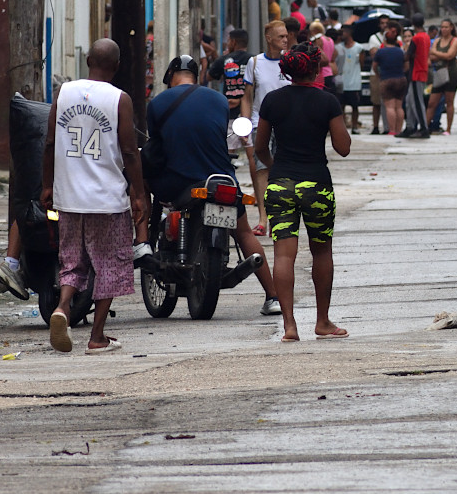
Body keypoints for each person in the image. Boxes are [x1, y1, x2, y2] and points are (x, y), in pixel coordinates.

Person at [148, 55, 280, 316]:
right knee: (244, 233)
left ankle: (143, 241)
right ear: (196, 76)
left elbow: (155, 149)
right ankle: (272, 296)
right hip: (221, 179)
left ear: (171, 76)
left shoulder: (157, 103)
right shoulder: (219, 100)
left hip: (179, 180)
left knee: (146, 179)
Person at [40, 39, 149, 354]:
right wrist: (138, 194)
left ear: (87, 60)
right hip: (107, 200)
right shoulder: (119, 99)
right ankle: (97, 336)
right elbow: (129, 150)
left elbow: (49, 143)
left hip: (69, 197)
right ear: (116, 66)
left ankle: (62, 308)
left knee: (72, 261)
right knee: (110, 266)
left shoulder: (63, 94)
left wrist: (47, 185)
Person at [254, 43, 351, 342]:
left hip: (280, 183)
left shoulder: (272, 101)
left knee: (284, 254)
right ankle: (322, 322)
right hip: (316, 184)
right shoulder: (327, 102)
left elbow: (260, 148)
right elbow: (343, 148)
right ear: (315, 68)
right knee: (321, 250)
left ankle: (289, 326)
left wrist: (277, 167)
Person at [241, 21, 291, 236]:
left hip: (287, 124)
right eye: (280, 36)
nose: (285, 40)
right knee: (261, 170)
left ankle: (281, 217)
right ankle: (263, 218)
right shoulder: (255, 62)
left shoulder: (290, 63)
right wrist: (244, 124)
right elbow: (246, 96)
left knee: (284, 171)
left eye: (286, 36)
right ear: (268, 38)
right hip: (259, 123)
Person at [205, 28, 254, 163]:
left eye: (228, 41)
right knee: (252, 156)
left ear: (233, 42)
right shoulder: (253, 60)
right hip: (248, 115)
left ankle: (227, 182)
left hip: (229, 113)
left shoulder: (225, 60)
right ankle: (257, 185)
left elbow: (208, 77)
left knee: (227, 156)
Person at [398, 13, 432, 139]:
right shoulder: (426, 37)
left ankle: (423, 128)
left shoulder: (416, 38)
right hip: (422, 70)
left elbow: (407, 55)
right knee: (409, 100)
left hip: (416, 72)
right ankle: (410, 126)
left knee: (417, 102)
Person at [426, 18, 457, 135]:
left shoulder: (455, 40)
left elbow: (450, 55)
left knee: (449, 101)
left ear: (451, 28)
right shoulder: (437, 41)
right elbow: (431, 56)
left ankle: (448, 129)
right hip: (439, 72)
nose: (444, 29)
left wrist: (436, 53)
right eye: (442, 27)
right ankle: (425, 126)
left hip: (452, 73)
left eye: (446, 27)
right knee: (432, 102)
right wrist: (441, 55)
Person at [373, 27, 408, 136]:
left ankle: (392, 130)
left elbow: (374, 66)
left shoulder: (380, 52)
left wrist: (379, 75)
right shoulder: (400, 51)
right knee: (399, 106)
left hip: (386, 79)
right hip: (401, 79)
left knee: (390, 107)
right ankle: (399, 130)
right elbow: (406, 66)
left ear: (385, 40)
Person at [335, 27, 365, 133]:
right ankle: (342, 127)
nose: (341, 34)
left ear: (349, 33)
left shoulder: (359, 48)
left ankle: (354, 126)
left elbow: (362, 63)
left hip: (354, 81)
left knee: (355, 106)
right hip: (342, 81)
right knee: (341, 106)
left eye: (343, 32)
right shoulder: (338, 47)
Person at [366, 15, 391, 135]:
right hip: (376, 74)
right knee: (376, 102)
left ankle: (390, 126)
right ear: (379, 24)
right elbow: (373, 54)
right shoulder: (373, 38)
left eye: (386, 23)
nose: (384, 25)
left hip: (390, 73)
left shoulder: (394, 37)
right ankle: (375, 126)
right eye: (382, 23)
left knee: (390, 102)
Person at [307, 20, 337, 92]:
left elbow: (317, 56)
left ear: (314, 30)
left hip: (321, 74)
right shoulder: (330, 40)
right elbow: (333, 56)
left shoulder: (318, 40)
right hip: (330, 72)